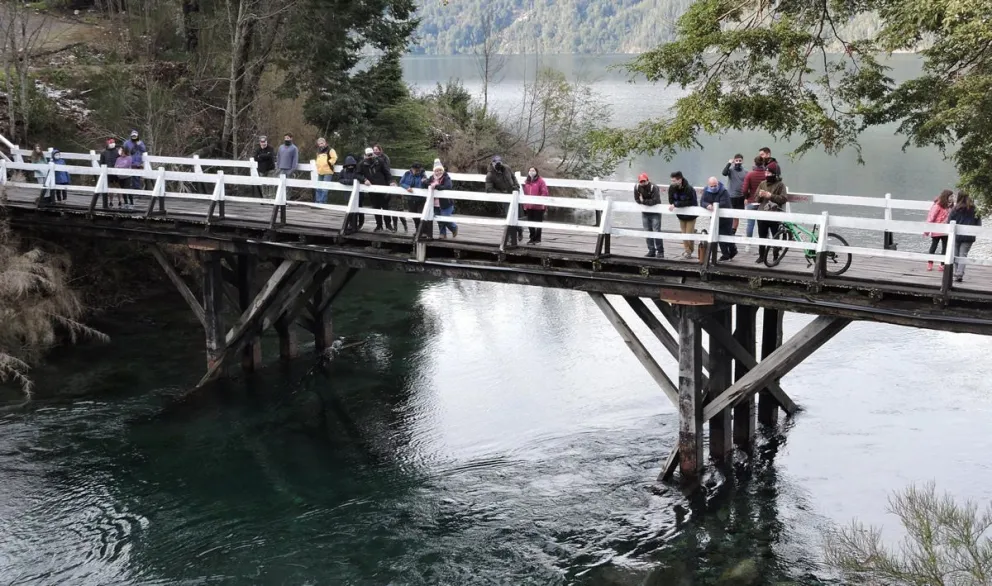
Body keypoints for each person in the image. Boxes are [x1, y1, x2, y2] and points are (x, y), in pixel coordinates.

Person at [754, 162, 788, 264]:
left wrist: (771, 196)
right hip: (762, 214)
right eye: (766, 172)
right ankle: (761, 256)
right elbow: (756, 198)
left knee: (775, 236)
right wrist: (760, 196)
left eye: (769, 173)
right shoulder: (762, 183)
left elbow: (783, 199)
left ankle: (775, 257)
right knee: (762, 236)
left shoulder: (780, 185)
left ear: (775, 174)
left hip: (775, 214)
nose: (766, 174)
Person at [486, 155, 521, 245]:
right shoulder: (490, 175)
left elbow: (513, 177)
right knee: (509, 216)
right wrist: (501, 193)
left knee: (517, 215)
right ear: (492, 163)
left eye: (499, 162)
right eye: (496, 162)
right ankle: (511, 237)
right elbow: (489, 189)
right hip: (505, 198)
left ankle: (519, 230)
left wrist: (517, 186)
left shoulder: (507, 168)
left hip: (514, 194)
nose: (498, 163)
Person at [701, 176, 737, 261]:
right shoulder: (706, 191)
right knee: (718, 235)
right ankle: (727, 254)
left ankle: (731, 251)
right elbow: (702, 202)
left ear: (718, 184)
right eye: (711, 186)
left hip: (726, 218)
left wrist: (713, 206)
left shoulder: (724, 191)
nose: (713, 187)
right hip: (714, 217)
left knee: (726, 235)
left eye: (715, 185)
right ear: (708, 185)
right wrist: (707, 205)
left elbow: (724, 203)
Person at [358, 147, 393, 231]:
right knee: (376, 206)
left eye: (371, 154)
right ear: (365, 155)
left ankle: (388, 225)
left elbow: (387, 173)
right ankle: (379, 225)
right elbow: (357, 174)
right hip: (371, 188)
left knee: (385, 206)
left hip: (382, 186)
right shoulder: (362, 164)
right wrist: (364, 179)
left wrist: (391, 182)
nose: (370, 156)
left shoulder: (380, 161)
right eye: (368, 155)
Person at [949, 190, 980, 283]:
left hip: (956, 235)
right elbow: (978, 224)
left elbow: (949, 222)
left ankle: (957, 273)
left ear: (959, 197)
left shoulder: (955, 209)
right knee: (963, 255)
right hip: (969, 236)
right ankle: (959, 274)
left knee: (956, 255)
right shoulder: (974, 209)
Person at [668, 171, 699, 259]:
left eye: (674, 181)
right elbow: (670, 200)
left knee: (688, 233)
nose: (672, 183)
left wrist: (677, 204)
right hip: (681, 215)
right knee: (683, 233)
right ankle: (688, 251)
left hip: (691, 215)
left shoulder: (689, 189)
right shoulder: (671, 188)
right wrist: (676, 204)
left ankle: (690, 250)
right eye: (671, 181)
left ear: (680, 180)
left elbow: (691, 202)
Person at [740, 156, 767, 251]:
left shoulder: (750, 174)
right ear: (763, 163)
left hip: (751, 201)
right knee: (764, 225)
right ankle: (765, 244)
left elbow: (744, 189)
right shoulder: (766, 174)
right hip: (763, 202)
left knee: (750, 224)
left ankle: (748, 244)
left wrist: (746, 197)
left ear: (754, 163)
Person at [634, 172, 663, 258]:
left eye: (644, 181)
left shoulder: (653, 187)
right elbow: (637, 199)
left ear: (647, 180)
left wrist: (643, 201)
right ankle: (651, 251)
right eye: (641, 181)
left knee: (656, 232)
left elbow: (655, 201)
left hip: (655, 213)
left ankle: (660, 252)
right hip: (645, 213)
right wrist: (643, 202)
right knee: (647, 232)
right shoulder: (637, 187)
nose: (642, 183)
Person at [924, 189, 953, 271]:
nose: (952, 198)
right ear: (946, 196)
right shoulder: (937, 205)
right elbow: (931, 217)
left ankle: (942, 265)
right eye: (951, 196)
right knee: (934, 246)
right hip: (936, 229)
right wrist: (927, 230)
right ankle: (930, 263)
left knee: (945, 248)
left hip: (946, 230)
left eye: (952, 196)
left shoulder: (950, 206)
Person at [337, 155, 366, 234]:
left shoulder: (357, 170)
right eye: (349, 165)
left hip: (359, 193)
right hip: (348, 193)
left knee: (359, 209)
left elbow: (360, 178)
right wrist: (347, 182)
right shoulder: (343, 171)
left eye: (352, 165)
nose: (350, 166)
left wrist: (354, 182)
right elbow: (339, 179)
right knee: (350, 210)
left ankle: (360, 224)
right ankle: (351, 224)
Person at [429, 159, 456, 238]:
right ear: (434, 171)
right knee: (439, 219)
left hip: (446, 203)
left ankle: (454, 228)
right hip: (435, 203)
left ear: (442, 170)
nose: (438, 172)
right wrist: (425, 182)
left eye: (440, 170)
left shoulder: (446, 177)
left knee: (444, 218)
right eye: (436, 171)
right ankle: (442, 234)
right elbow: (427, 183)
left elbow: (448, 186)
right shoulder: (432, 178)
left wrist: (436, 186)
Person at [400, 162, 429, 232]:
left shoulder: (423, 175)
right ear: (412, 168)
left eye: (418, 169)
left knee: (421, 214)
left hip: (421, 199)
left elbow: (426, 186)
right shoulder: (407, 174)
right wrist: (407, 187)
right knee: (413, 214)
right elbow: (401, 182)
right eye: (415, 169)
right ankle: (417, 229)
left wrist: (424, 182)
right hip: (410, 198)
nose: (417, 171)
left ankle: (423, 231)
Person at [523, 166, 549, 244]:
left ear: (536, 172)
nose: (531, 172)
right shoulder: (527, 181)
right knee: (530, 223)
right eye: (530, 170)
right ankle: (532, 238)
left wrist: (539, 201)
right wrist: (525, 204)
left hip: (538, 207)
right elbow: (525, 194)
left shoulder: (541, 181)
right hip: (529, 206)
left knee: (538, 223)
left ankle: (538, 239)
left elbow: (545, 192)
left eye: (533, 170)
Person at [722, 153, 748, 232]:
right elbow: (724, 173)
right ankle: (727, 230)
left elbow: (747, 186)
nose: (738, 162)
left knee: (736, 216)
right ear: (734, 161)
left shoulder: (745, 172)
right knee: (729, 215)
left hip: (741, 197)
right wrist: (729, 163)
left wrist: (746, 197)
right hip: (731, 196)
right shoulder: (730, 170)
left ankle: (733, 232)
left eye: (740, 161)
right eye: (736, 161)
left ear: (742, 161)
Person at [314, 137, 337, 204]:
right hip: (320, 171)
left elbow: (334, 158)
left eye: (322, 143)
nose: (320, 145)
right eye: (319, 144)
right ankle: (317, 201)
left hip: (328, 171)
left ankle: (322, 202)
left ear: (325, 143)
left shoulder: (330, 150)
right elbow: (318, 159)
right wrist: (317, 165)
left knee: (325, 187)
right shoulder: (318, 151)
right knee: (318, 187)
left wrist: (328, 163)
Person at [114, 145, 134, 210]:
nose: (121, 152)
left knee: (127, 189)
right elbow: (115, 166)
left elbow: (127, 165)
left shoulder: (129, 158)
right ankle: (126, 203)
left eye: (122, 151)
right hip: (120, 177)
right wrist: (118, 167)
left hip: (127, 176)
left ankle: (131, 203)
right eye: (121, 151)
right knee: (123, 190)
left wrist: (119, 166)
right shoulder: (118, 159)